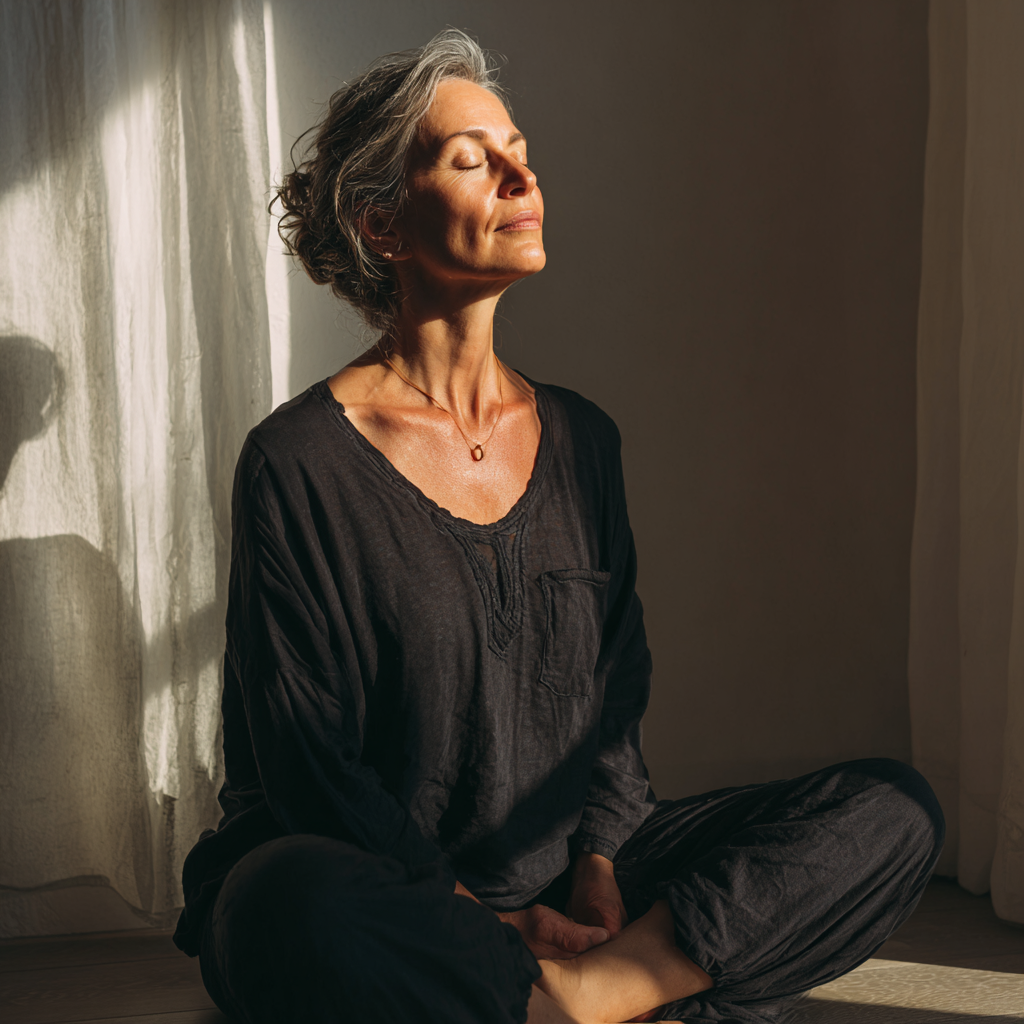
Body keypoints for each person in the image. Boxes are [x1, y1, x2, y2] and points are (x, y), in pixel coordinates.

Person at [172, 29, 944, 1024]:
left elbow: (612, 704)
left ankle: (579, 999)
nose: (517, 173)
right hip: (381, 883)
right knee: (283, 904)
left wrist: (599, 870)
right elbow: (310, 767)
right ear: (382, 225)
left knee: (890, 810)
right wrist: (478, 921)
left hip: (558, 885)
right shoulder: (297, 462)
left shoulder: (582, 439)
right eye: (468, 158)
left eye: (517, 148)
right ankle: (618, 991)